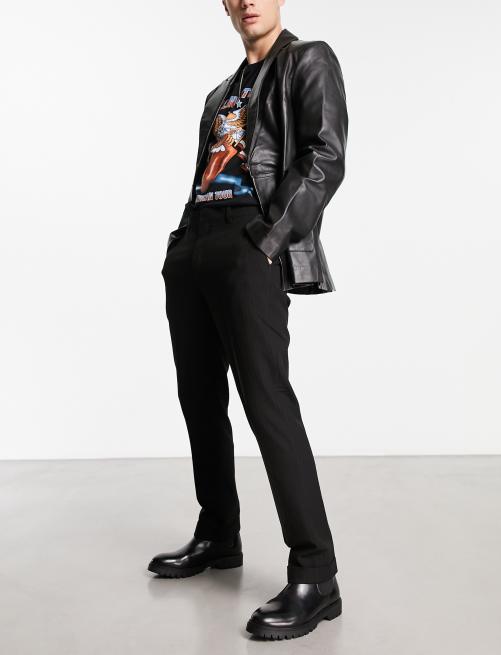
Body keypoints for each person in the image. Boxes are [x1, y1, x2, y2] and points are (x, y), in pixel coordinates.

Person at [148, 0, 348, 641]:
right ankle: (218, 533)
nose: (248, 1)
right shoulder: (219, 94)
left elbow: (325, 155)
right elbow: (209, 171)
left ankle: (316, 575)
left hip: (250, 241)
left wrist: (267, 240)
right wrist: (181, 244)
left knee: (267, 401)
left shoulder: (307, 60)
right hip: (197, 244)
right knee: (199, 399)